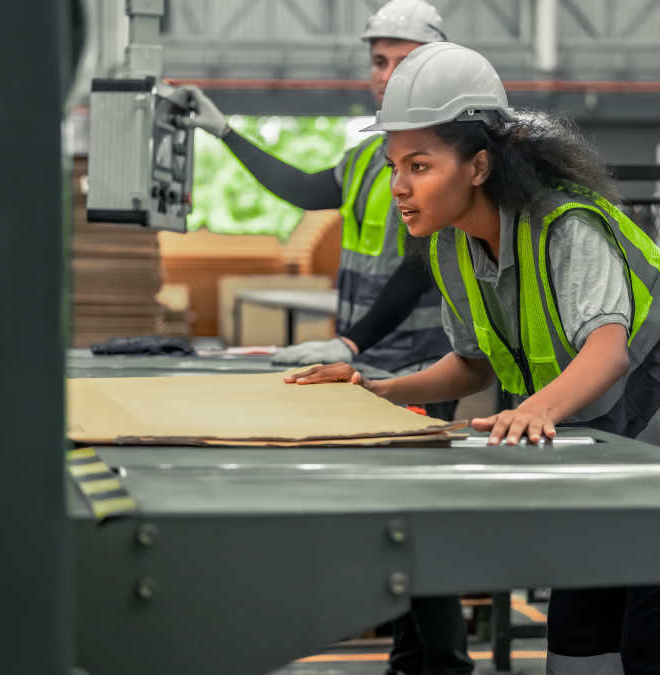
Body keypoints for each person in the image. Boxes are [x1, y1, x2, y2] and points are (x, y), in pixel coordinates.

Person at [283, 42, 660, 674]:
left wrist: (533, 412)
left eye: (420, 165)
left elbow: (607, 354)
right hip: (616, 467)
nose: (400, 187)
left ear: (479, 166)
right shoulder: (454, 249)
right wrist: (373, 391)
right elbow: (473, 362)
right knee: (576, 651)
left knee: (658, 654)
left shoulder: (566, 226)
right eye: (394, 166)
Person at [183, 6, 473, 675]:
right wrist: (224, 130)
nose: (387, 75)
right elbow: (305, 189)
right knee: (395, 525)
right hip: (368, 366)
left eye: (402, 61)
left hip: (421, 365)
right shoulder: (374, 153)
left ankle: (447, 665)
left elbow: (421, 262)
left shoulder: (437, 157)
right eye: (379, 61)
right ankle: (414, 663)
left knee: (411, 525)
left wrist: (349, 342)